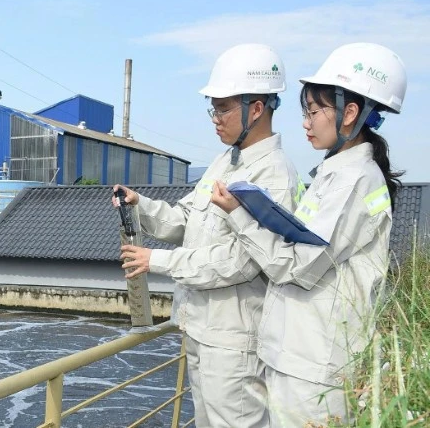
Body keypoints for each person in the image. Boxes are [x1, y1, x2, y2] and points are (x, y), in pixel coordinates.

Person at [211, 42, 407, 427]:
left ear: (350, 113)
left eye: (314, 111)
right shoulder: (337, 173)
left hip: (314, 366)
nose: (305, 122)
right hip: (297, 356)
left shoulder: (353, 182)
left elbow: (299, 267)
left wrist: (241, 217)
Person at [114, 44, 301, 428]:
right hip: (201, 328)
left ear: (256, 108)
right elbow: (186, 218)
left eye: (223, 108)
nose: (215, 119)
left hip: (234, 340)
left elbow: (240, 262)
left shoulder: (274, 175)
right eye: (213, 108)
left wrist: (158, 260)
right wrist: (140, 205)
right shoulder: (225, 161)